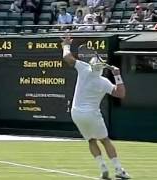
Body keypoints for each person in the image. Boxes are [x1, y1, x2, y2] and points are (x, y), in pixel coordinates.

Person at [61, 35, 131, 180]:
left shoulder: (84, 69)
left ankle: (103, 168)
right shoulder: (104, 82)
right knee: (105, 140)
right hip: (92, 114)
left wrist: (65, 45)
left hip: (77, 114)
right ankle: (118, 170)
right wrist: (117, 75)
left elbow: (67, 57)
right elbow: (121, 93)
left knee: (91, 141)